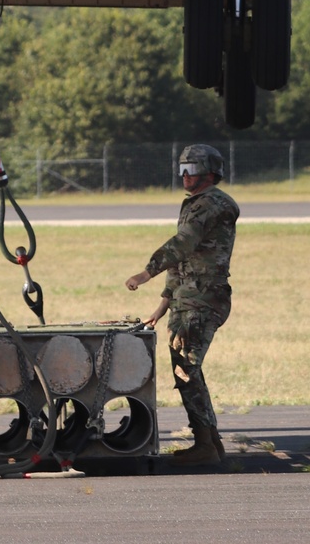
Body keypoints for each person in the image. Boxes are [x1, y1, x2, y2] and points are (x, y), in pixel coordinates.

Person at [124, 143, 239, 466]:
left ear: (210, 173)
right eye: (182, 170)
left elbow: (182, 244)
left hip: (203, 298)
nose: (185, 177)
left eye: (192, 170)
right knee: (187, 369)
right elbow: (182, 263)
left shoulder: (213, 204)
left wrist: (146, 272)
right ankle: (210, 442)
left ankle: (206, 445)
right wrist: (161, 306)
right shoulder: (195, 204)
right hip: (188, 297)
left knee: (186, 369)